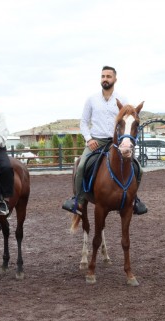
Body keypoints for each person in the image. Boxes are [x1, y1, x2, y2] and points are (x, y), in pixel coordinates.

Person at [62, 65, 147, 215]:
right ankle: (79, 200)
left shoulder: (123, 99)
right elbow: (84, 122)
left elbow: (128, 120)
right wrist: (89, 139)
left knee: (138, 168)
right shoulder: (91, 100)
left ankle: (134, 199)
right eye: (103, 76)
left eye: (108, 76)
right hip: (96, 141)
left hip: (116, 142)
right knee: (81, 166)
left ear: (115, 79)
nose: (105, 79)